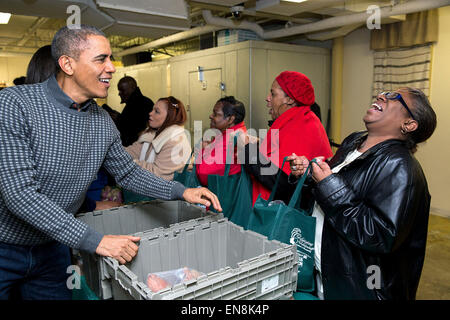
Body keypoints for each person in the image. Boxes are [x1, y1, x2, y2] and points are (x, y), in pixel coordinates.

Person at [0, 24, 221, 300]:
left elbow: (128, 174)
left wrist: (181, 191)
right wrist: (97, 241)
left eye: (110, 58)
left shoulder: (102, 121)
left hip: (52, 246)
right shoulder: (13, 104)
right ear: (68, 64)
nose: (112, 67)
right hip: (4, 245)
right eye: (101, 59)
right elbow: (19, 195)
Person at [288, 88, 437, 300]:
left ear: (408, 124)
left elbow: (380, 235)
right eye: (385, 92)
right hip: (325, 275)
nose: (382, 96)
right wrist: (310, 175)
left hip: (359, 287)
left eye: (395, 97)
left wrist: (329, 186)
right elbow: (327, 197)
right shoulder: (353, 142)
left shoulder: (401, 167)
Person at [242, 71, 333, 205]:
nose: (267, 98)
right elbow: (276, 155)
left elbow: (279, 181)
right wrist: (257, 143)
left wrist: (247, 149)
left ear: (290, 99)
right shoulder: (294, 120)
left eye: (273, 94)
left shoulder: (303, 125)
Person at [125, 96, 191, 181]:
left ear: (169, 117)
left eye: (157, 111)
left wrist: (128, 163)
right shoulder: (152, 134)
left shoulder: (176, 142)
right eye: (153, 110)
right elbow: (132, 151)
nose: (150, 113)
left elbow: (157, 174)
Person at [195, 96, 247, 187]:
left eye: (216, 114)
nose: (210, 116)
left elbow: (204, 175)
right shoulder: (230, 134)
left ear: (231, 119)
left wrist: (202, 150)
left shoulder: (231, 139)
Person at [117, 76, 154, 147]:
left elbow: (132, 131)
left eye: (122, 90)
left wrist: (119, 119)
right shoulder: (142, 102)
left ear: (132, 88)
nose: (119, 93)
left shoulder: (138, 104)